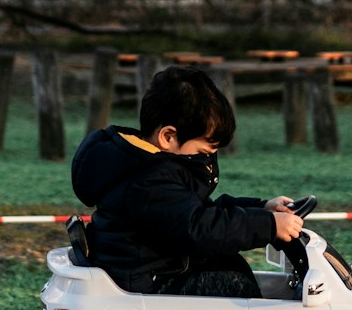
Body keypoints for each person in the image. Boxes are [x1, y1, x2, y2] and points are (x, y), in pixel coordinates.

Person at [70, 65, 303, 297]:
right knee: (231, 284)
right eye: (203, 152)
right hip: (147, 285)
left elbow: (199, 211)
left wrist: (261, 209)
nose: (207, 160)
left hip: (160, 268)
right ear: (168, 136)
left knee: (228, 262)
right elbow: (198, 227)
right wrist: (269, 226)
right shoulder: (148, 181)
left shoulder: (153, 166)